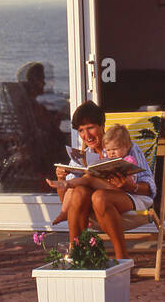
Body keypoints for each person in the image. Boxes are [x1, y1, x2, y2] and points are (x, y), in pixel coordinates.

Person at [50, 102, 155, 260]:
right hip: (98, 205)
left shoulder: (124, 147)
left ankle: (122, 257)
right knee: (81, 192)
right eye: (81, 131)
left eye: (90, 127)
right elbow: (67, 200)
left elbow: (149, 188)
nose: (87, 136)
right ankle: (76, 253)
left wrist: (131, 186)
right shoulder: (81, 157)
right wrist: (61, 178)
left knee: (99, 196)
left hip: (130, 198)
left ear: (102, 125)